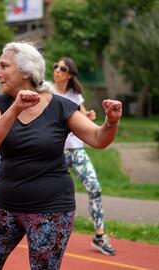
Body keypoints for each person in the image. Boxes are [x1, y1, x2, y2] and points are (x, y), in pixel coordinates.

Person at [0, 42, 122, 269]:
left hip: (51, 210)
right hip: (4, 205)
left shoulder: (62, 106)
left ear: (26, 71)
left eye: (4, 66)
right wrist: (15, 108)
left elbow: (98, 139)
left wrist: (111, 122)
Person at [53, 57, 116, 256]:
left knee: (95, 188)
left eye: (62, 68)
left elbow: (79, 118)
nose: (57, 70)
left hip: (76, 150)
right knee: (49, 194)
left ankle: (99, 235)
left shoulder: (75, 95)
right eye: (55, 66)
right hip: (55, 152)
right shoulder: (46, 92)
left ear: (69, 74)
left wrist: (87, 117)